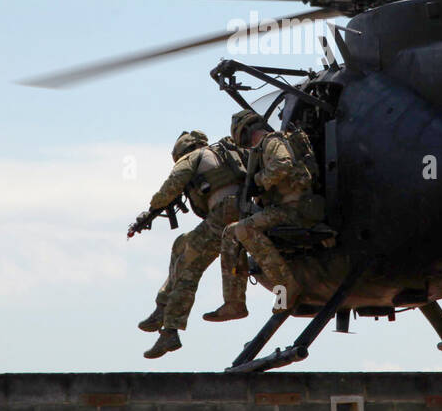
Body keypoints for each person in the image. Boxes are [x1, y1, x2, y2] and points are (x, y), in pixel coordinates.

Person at [133, 129, 250, 359]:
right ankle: (162, 308)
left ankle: (170, 330)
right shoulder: (224, 153)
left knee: (188, 263)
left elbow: (171, 186)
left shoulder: (192, 157)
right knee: (181, 244)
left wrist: (152, 209)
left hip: (223, 213)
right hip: (242, 213)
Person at [220, 110, 321, 313]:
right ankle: (235, 302)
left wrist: (258, 181)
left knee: (244, 230)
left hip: (295, 210)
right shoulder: (263, 148)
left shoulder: (272, 141)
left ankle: (286, 288)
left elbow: (283, 163)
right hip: (284, 210)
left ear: (248, 130)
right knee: (230, 233)